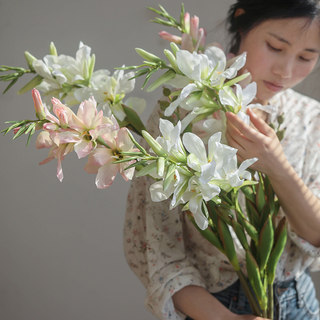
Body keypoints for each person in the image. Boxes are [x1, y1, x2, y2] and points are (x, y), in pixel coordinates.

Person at [124, 0, 320, 319]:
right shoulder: (180, 112)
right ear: (242, 23)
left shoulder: (312, 120)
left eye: (306, 57)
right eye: (275, 46)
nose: (285, 71)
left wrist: (276, 165)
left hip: (300, 306)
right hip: (215, 308)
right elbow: (154, 249)